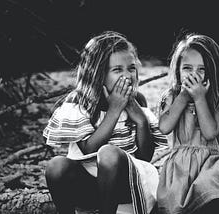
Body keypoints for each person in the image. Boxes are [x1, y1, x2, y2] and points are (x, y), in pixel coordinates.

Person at [43, 31, 167, 214]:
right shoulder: (79, 101)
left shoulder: (137, 100)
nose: (127, 75)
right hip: (88, 187)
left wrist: (141, 121)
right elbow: (88, 149)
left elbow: (144, 158)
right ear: (98, 73)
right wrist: (114, 110)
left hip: (127, 186)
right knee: (56, 165)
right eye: (117, 70)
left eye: (131, 68)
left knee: (109, 153)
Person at [156, 33, 219, 214]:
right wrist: (183, 97)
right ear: (178, 70)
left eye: (201, 70)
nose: (194, 75)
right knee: (175, 203)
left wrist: (199, 98)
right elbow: (164, 127)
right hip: (180, 168)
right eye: (187, 68)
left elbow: (209, 132)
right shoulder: (172, 97)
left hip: (212, 164)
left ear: (213, 72)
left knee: (207, 187)